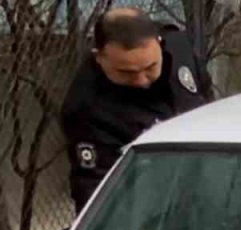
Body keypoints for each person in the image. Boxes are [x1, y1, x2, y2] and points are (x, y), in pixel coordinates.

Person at [61, 8, 211, 212]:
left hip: (210, 179)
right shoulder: (86, 110)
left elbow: (207, 98)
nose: (141, 81)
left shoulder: (178, 47)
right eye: (126, 72)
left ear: (160, 43)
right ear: (99, 57)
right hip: (152, 208)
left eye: (150, 67)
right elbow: (96, 193)